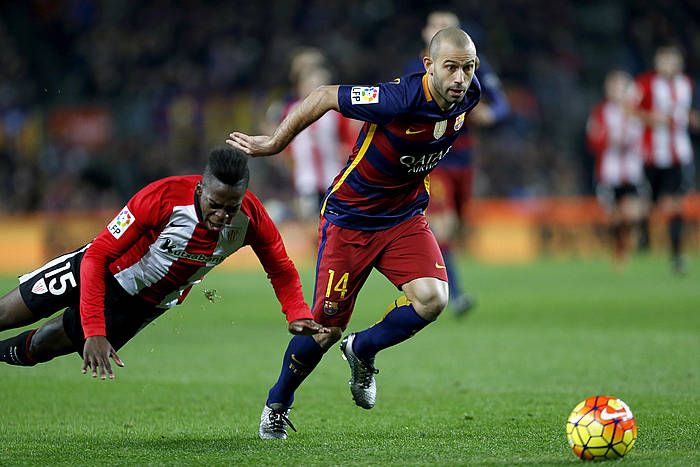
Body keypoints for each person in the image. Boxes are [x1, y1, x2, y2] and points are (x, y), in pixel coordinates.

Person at [227, 27, 481, 439]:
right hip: (351, 220)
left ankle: (363, 350)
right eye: (450, 68)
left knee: (434, 300)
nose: (459, 78)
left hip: (404, 218)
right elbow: (326, 95)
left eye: (467, 68)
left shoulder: (470, 93)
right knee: (326, 329)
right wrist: (275, 142)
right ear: (428, 65)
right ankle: (277, 403)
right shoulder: (397, 99)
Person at [0, 146, 328, 379]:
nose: (222, 215)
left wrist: (297, 312)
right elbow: (97, 256)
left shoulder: (252, 219)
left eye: (231, 207)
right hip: (100, 272)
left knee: (43, 347)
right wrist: (94, 330)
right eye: (215, 204)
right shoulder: (162, 197)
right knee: (6, 313)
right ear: (201, 189)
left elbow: (281, 269)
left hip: (142, 306)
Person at [405, 11, 509, 315]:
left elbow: (501, 102)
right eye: (435, 25)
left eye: (447, 26)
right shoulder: (415, 69)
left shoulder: (473, 66)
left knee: (457, 226)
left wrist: (492, 114)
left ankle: (428, 274)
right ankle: (454, 293)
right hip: (434, 158)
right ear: (425, 33)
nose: (440, 29)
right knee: (445, 225)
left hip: (465, 157)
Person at [632, 45, 697, 274]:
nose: (668, 65)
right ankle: (641, 242)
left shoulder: (687, 84)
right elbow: (632, 112)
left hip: (679, 155)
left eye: (673, 60)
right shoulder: (645, 83)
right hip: (651, 155)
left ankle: (676, 254)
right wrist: (654, 119)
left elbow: (690, 114)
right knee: (649, 204)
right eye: (664, 60)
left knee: (674, 203)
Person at [586, 70, 644, 268]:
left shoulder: (636, 111)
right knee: (615, 218)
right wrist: (609, 140)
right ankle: (619, 249)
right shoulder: (601, 112)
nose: (616, 90)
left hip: (631, 171)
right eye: (613, 86)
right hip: (609, 173)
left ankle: (626, 245)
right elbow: (593, 140)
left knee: (633, 214)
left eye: (620, 86)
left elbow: (645, 136)